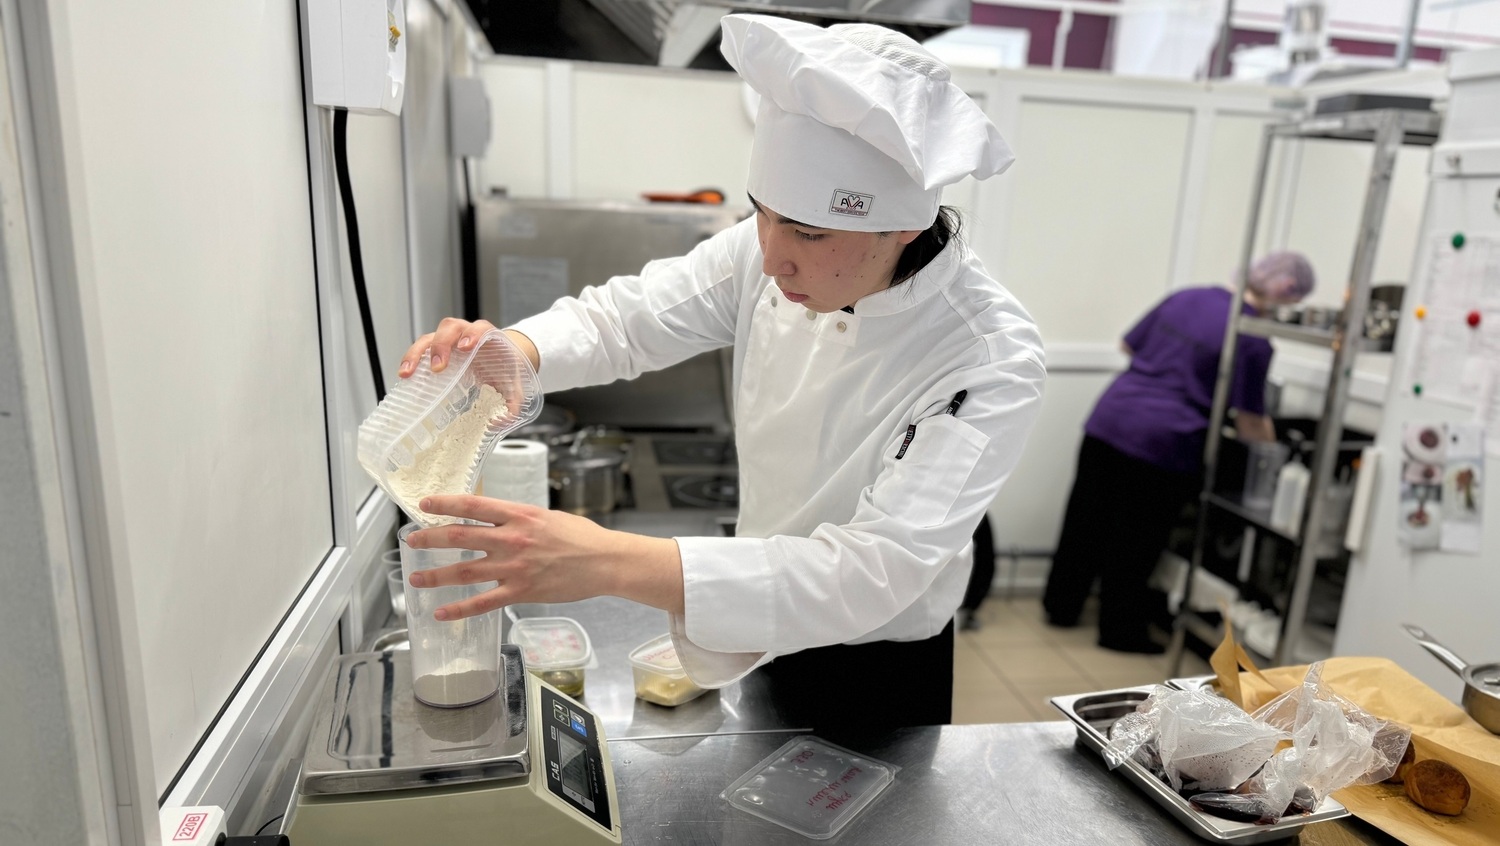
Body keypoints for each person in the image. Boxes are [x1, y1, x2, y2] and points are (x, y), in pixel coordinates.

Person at [398, 14, 1045, 738]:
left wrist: (604, 559)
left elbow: (876, 571)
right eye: (762, 214)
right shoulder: (763, 252)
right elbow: (627, 319)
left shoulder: (987, 354)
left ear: (904, 226)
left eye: (809, 233)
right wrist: (516, 348)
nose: (772, 258)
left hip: (879, 665)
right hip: (747, 617)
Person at [1042, 252, 1315, 654]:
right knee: (1136, 540)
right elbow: (1251, 423)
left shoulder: (1186, 297)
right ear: (1286, 292)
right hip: (1164, 441)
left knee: (1085, 519)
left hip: (1110, 419)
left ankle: (1060, 607)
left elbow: (1127, 344)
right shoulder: (1254, 338)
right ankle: (1119, 630)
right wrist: (1280, 454)